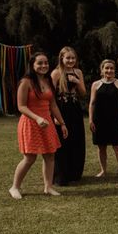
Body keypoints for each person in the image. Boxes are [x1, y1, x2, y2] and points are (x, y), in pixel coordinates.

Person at [9, 52, 68, 199]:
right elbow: (21, 106)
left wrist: (62, 123)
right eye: (40, 63)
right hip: (30, 122)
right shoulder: (26, 82)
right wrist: (37, 118)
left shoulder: (48, 80)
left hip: (47, 123)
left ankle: (48, 187)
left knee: (50, 155)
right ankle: (14, 187)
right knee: (29, 158)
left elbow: (53, 105)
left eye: (46, 62)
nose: (44, 66)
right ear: (32, 65)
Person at [88, 60, 118, 182]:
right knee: (101, 147)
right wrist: (90, 120)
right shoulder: (95, 84)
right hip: (99, 120)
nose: (109, 71)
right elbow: (92, 103)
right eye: (106, 68)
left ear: (114, 70)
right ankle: (103, 170)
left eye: (111, 68)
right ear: (102, 70)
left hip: (115, 119)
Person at [51, 46, 86, 186]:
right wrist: (54, 116)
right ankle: (61, 175)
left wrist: (77, 82)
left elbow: (83, 93)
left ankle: (74, 174)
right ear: (62, 58)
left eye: (73, 58)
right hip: (61, 110)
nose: (71, 60)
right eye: (68, 58)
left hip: (75, 109)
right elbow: (51, 97)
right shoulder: (56, 73)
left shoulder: (78, 72)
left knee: (76, 140)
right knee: (62, 142)